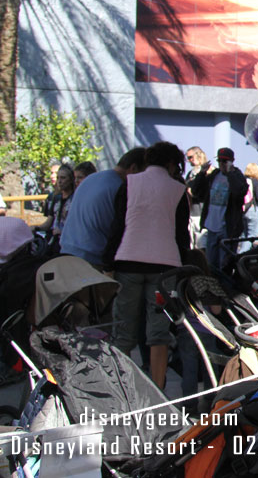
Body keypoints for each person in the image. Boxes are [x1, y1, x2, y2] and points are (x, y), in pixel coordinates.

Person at [103, 141, 190, 390]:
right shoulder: (178, 190)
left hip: (127, 262)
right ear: (172, 163)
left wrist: (107, 261)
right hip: (165, 267)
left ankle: (124, 389)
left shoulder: (129, 184)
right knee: (159, 333)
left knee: (123, 331)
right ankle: (157, 390)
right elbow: (182, 236)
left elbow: (117, 226)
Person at [60, 148, 146, 268]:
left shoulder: (92, 178)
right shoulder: (120, 188)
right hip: (91, 258)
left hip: (68, 250)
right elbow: (118, 230)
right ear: (134, 168)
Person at [192, 147, 248, 269]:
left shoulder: (237, 176)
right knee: (211, 263)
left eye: (225, 161)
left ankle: (226, 286)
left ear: (232, 161)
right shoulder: (214, 175)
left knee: (225, 264)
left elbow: (239, 193)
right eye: (220, 161)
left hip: (228, 228)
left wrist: (230, 173)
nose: (222, 164)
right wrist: (201, 173)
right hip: (212, 226)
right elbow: (196, 191)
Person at [35, 163, 75, 248]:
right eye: (58, 178)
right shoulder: (56, 198)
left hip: (69, 241)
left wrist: (63, 231)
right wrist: (35, 228)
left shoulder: (75, 199)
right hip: (53, 240)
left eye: (63, 178)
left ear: (71, 179)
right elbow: (49, 222)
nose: (59, 181)